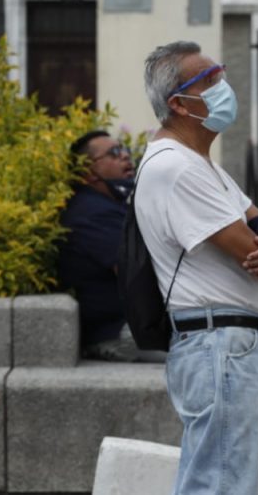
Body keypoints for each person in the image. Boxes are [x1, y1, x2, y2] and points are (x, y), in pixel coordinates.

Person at [134, 41, 258, 494]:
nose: (224, 86)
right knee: (221, 482)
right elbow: (254, 250)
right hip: (219, 342)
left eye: (220, 73)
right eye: (209, 80)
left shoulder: (200, 164)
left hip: (225, 343)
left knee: (217, 476)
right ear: (179, 104)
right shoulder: (178, 168)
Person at [58, 131, 163, 362]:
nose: (126, 156)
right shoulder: (90, 213)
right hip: (118, 332)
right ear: (87, 171)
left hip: (137, 324)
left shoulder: (109, 205)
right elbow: (139, 273)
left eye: (125, 150)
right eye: (114, 153)